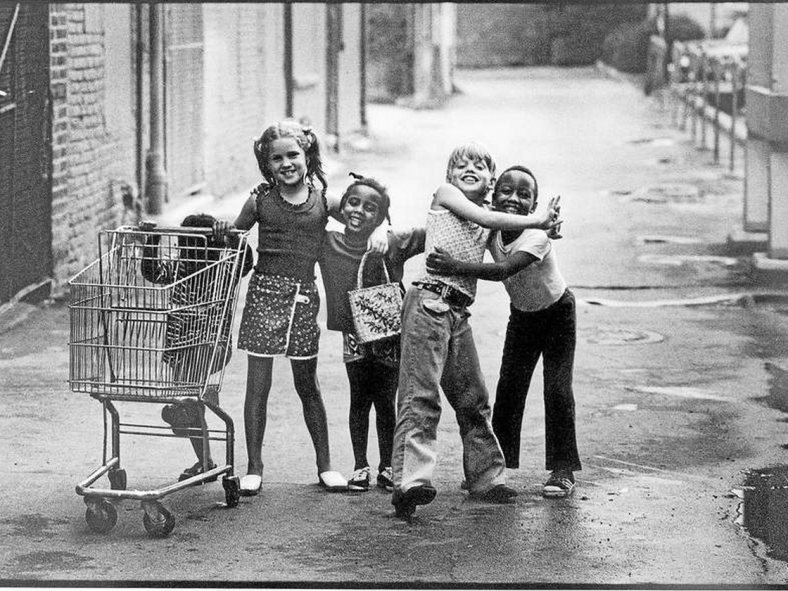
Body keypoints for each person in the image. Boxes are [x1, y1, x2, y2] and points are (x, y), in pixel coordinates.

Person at [213, 120, 388, 496]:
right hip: (263, 297)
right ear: (267, 164)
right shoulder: (259, 201)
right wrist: (221, 231)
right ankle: (254, 467)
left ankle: (325, 465)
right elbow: (235, 235)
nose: (286, 163)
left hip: (304, 300)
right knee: (257, 385)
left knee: (307, 384)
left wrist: (379, 233)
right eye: (277, 158)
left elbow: (362, 215)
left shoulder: (325, 202)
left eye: (293, 154)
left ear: (307, 155)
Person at [390, 142, 561, 519]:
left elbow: (504, 233)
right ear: (449, 176)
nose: (469, 169)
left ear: (490, 183)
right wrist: (537, 220)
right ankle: (410, 482)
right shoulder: (447, 195)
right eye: (460, 165)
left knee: (473, 398)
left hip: (457, 312)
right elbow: (488, 222)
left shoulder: (487, 217)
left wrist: (547, 227)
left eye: (480, 167)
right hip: (429, 304)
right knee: (421, 397)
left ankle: (486, 478)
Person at [426, 165, 580, 498]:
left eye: (524, 195)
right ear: (494, 194)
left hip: (557, 315)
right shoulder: (492, 228)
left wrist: (454, 267)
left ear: (534, 205)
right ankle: (494, 468)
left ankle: (563, 469)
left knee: (557, 389)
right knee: (509, 388)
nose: (513, 199)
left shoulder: (536, 236)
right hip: (522, 316)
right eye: (506, 191)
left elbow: (502, 270)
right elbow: (460, 231)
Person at [318, 173, 425, 492]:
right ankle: (360, 465)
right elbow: (319, 202)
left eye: (370, 208)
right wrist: (365, 216)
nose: (358, 211)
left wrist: (384, 230)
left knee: (385, 400)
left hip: (390, 337)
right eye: (353, 203)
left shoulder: (391, 243)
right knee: (359, 399)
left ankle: (388, 465)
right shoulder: (329, 242)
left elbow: (430, 232)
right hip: (353, 336)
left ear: (381, 216)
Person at [141, 213, 253, 482]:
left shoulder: (223, 269)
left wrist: (232, 234)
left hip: (209, 345)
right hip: (181, 347)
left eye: (200, 244)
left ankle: (182, 413)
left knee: (185, 396)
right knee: (190, 398)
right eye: (185, 244)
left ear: (214, 246)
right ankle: (204, 460)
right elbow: (152, 272)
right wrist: (153, 237)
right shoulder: (179, 269)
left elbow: (246, 261)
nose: (191, 251)